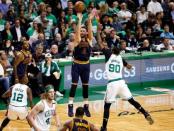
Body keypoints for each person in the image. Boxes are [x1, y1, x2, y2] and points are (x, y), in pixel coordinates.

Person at [97, 24, 154, 131]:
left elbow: (100, 42)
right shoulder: (120, 58)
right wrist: (129, 66)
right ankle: (145, 113)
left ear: (112, 49)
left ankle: (104, 128)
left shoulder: (108, 53)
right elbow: (129, 67)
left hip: (112, 83)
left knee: (107, 106)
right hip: (121, 83)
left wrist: (98, 31)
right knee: (131, 100)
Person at [68, 11, 94, 117]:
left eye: (84, 30)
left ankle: (86, 107)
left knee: (85, 87)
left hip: (86, 65)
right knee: (74, 85)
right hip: (76, 65)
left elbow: (91, 31)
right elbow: (77, 32)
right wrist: (79, 20)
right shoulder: (77, 40)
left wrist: (90, 21)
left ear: (86, 32)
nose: (82, 32)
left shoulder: (90, 40)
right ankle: (70, 107)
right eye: (81, 30)